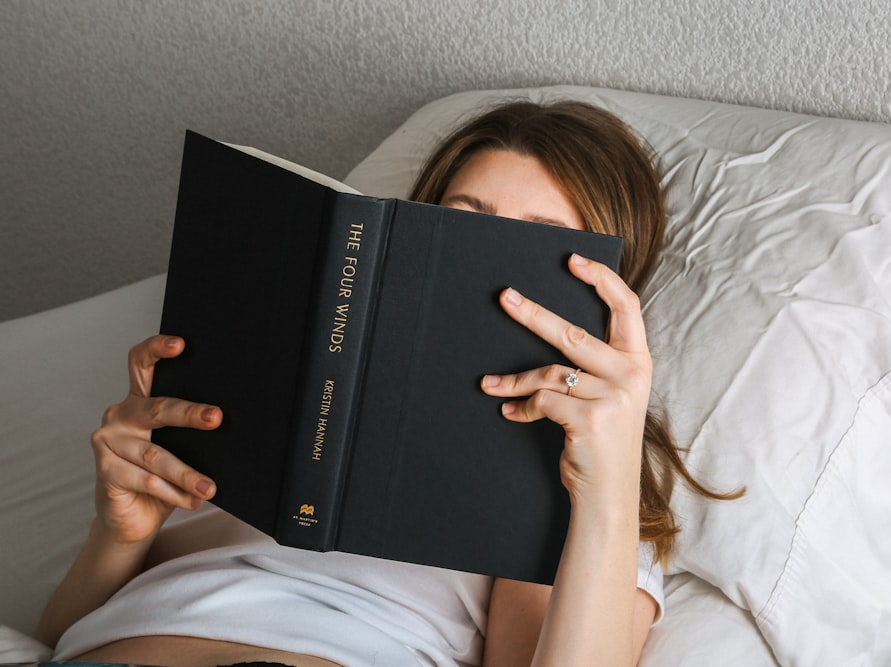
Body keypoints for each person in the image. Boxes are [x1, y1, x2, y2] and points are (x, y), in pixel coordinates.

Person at [35, 100, 733, 667]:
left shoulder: (576, 493)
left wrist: (605, 480)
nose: (485, 271)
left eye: (531, 245)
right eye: (463, 226)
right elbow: (61, 632)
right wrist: (117, 529)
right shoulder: (266, 378)